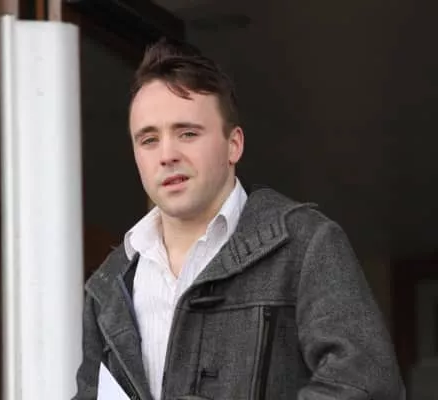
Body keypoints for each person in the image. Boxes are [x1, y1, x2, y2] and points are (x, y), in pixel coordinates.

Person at [73, 38, 404, 400]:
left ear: (234, 145)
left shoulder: (305, 244)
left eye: (187, 133)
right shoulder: (109, 285)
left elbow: (369, 386)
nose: (167, 154)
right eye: (148, 140)